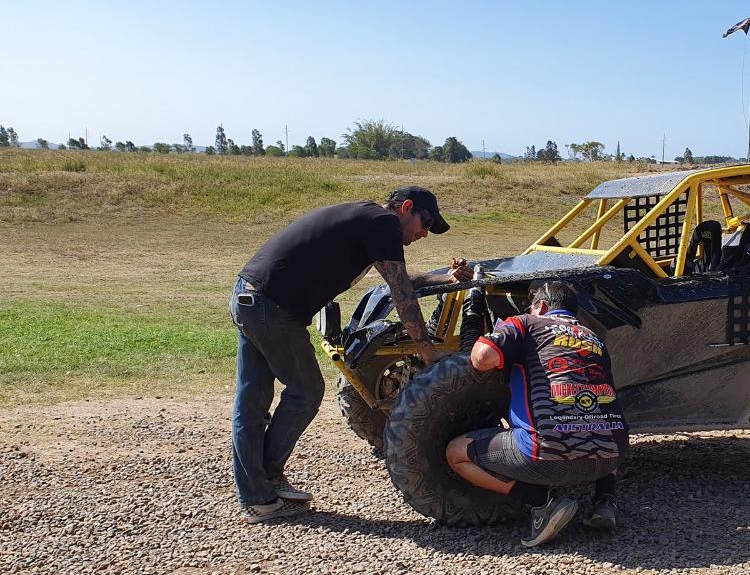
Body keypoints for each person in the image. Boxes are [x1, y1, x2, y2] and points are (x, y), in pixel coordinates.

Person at [230, 186, 470, 524]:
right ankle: (262, 487)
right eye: (424, 222)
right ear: (406, 207)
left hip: (250, 297)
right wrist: (430, 353)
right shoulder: (383, 223)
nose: (423, 233)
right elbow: (401, 293)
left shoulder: (367, 218)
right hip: (273, 309)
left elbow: (398, 279)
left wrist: (444, 277)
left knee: (251, 402)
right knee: (306, 391)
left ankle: (259, 495)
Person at [446, 280, 627, 547]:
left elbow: (481, 358)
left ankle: (541, 503)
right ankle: (604, 502)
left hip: (545, 458)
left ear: (540, 306)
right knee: (599, 416)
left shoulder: (527, 323)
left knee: (456, 453)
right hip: (612, 457)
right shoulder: (594, 338)